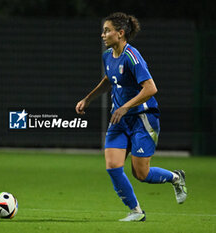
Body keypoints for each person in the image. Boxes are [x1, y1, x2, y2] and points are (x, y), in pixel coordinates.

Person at [75, 12, 187, 222]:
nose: (103, 34)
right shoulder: (108, 55)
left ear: (120, 33)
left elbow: (151, 88)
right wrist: (88, 99)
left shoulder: (132, 56)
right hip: (119, 120)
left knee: (141, 174)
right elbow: (110, 79)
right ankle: (136, 211)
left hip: (143, 119)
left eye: (107, 31)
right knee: (113, 167)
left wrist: (125, 107)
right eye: (103, 30)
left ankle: (175, 177)